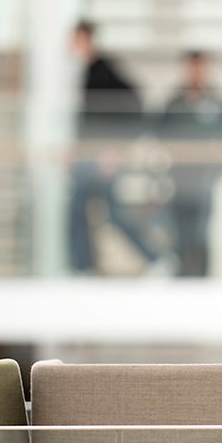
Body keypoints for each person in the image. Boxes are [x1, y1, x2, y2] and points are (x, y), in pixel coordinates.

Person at [68, 19, 166, 275]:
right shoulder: (87, 70)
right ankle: (84, 267)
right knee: (80, 210)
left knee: (107, 213)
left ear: (86, 38)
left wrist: (116, 149)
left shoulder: (103, 69)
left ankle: (153, 259)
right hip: (88, 154)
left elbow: (133, 106)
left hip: (100, 156)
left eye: (75, 38)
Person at [156, 50, 222, 276]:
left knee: (200, 236)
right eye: (192, 67)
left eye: (200, 67)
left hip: (204, 182)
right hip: (178, 181)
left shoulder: (218, 104)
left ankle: (201, 281)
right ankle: (181, 282)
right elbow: (161, 138)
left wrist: (216, 171)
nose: (196, 73)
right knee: (178, 236)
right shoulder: (173, 103)